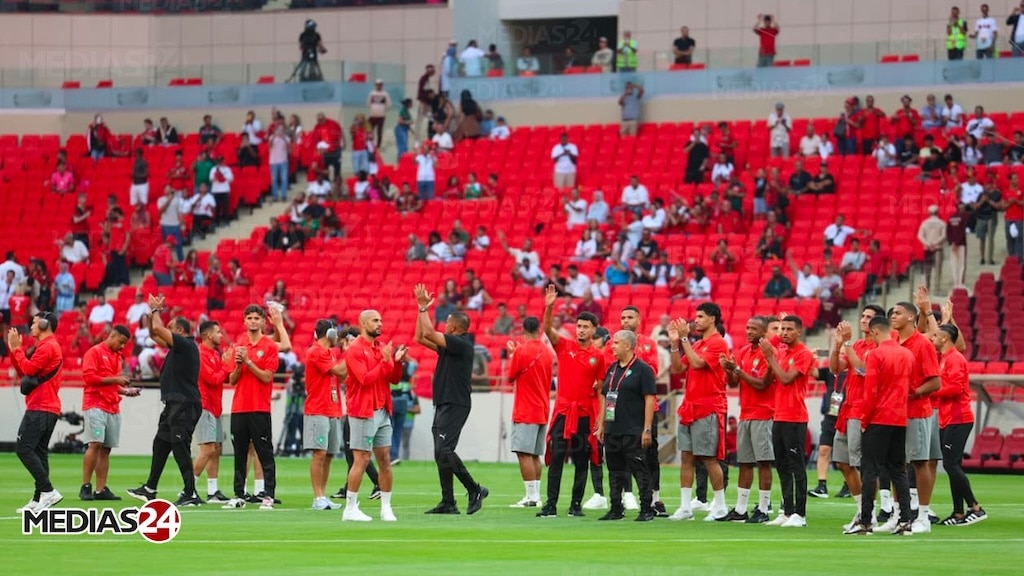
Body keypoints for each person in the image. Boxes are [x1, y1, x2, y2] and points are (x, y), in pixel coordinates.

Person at [414, 284, 488, 515]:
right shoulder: (451, 346)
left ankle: (474, 489)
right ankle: (448, 502)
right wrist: (420, 308)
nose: (444, 325)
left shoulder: (462, 343)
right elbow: (419, 337)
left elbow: (427, 333)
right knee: (440, 452)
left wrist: (425, 307)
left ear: (455, 327)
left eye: (447, 323)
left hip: (456, 403)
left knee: (444, 449)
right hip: (445, 402)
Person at [126, 296, 203, 507]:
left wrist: (156, 310)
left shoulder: (186, 345)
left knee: (179, 445)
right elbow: (154, 333)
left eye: (171, 327)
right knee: (161, 444)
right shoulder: (177, 348)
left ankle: (191, 492)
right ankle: (150, 488)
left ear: (179, 331)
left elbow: (158, 330)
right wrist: (153, 314)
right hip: (174, 403)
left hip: (184, 403)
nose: (165, 330)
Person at [844, 314, 915, 536]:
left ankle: (865, 521)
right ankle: (905, 521)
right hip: (899, 418)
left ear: (875, 332)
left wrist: (864, 421)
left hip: (878, 418)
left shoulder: (875, 354)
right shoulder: (907, 354)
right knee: (898, 470)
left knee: (870, 470)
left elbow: (871, 391)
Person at [536, 286, 604, 517]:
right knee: (556, 460)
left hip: (585, 414)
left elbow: (602, 390)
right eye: (579, 326)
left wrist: (601, 420)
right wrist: (549, 306)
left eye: (586, 327)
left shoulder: (600, 356)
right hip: (564, 413)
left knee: (582, 461)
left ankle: (576, 505)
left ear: (594, 330)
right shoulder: (565, 346)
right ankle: (550, 505)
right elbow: (546, 329)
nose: (581, 330)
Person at [222, 304, 292, 510]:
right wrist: (238, 364)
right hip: (239, 408)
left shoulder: (269, 346)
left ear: (263, 322)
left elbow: (267, 377)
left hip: (259, 407)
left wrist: (249, 362)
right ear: (244, 321)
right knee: (240, 453)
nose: (253, 321)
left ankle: (268, 495)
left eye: (256, 318)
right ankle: (238, 494)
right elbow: (232, 380)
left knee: (264, 452)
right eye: (249, 318)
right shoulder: (238, 346)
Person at [666, 304, 730, 522]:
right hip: (690, 407)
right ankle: (685, 507)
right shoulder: (700, 343)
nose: (696, 320)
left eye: (700, 316)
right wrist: (675, 344)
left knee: (709, 458)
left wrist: (684, 340)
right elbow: (677, 369)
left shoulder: (718, 343)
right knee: (686, 458)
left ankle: (720, 505)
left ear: (712, 319)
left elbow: (697, 363)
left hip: (708, 407)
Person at [342, 310, 406, 522]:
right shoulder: (354, 350)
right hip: (363, 411)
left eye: (381, 320)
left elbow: (393, 379)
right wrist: (383, 362)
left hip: (382, 411)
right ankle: (350, 508)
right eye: (375, 320)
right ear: (362, 323)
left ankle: (386, 507)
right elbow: (365, 379)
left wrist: (396, 362)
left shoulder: (380, 348)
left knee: (385, 459)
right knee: (361, 459)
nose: (380, 324)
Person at [829, 307, 884, 531]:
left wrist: (848, 344)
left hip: (863, 410)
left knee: (863, 464)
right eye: (862, 316)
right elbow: (835, 368)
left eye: (869, 317)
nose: (863, 320)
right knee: (842, 461)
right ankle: (862, 509)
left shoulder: (878, 348)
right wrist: (837, 344)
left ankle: (870, 513)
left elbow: (862, 370)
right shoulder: (858, 345)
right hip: (847, 409)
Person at [889, 301, 941, 533]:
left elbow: (935, 381)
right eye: (892, 313)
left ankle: (923, 516)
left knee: (920, 463)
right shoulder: (891, 341)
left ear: (911, 317)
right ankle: (899, 515)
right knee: (896, 464)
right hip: (894, 412)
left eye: (898, 313)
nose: (893, 316)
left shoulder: (922, 344)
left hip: (917, 411)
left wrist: (914, 392)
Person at [594, 330, 656, 521]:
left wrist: (646, 429)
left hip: (633, 429)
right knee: (614, 470)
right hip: (613, 428)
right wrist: (602, 424)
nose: (612, 346)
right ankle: (615, 508)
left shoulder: (643, 370)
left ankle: (646, 509)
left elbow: (649, 399)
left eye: (616, 343)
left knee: (639, 469)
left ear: (628, 346)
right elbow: (605, 397)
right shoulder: (612, 369)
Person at [719, 316, 775, 524]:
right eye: (747, 327)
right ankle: (741, 509)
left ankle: (763, 508)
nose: (749, 331)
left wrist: (737, 370)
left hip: (764, 413)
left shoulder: (769, 353)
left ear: (764, 331)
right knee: (744, 463)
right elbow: (734, 383)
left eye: (754, 328)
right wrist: (728, 367)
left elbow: (762, 384)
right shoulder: (742, 351)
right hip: (746, 413)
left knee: (763, 462)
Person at [760, 315, 814, 527]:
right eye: (782, 329)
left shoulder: (804, 353)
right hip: (779, 415)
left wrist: (770, 358)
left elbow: (785, 378)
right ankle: (787, 510)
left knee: (796, 465)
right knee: (781, 464)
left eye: (789, 329)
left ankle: (800, 514)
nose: (784, 332)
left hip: (795, 417)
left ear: (799, 331)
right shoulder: (781, 352)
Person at [932, 324, 987, 526]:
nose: (933, 338)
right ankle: (957, 512)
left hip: (958, 418)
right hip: (948, 418)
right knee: (951, 464)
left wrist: (929, 390)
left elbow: (955, 388)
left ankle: (975, 507)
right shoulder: (944, 359)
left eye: (936, 335)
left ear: (945, 339)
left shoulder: (954, 359)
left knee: (950, 464)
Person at [10, 312, 64, 513]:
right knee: (40, 453)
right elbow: (25, 371)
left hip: (40, 407)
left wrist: (17, 349)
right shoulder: (48, 346)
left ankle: (48, 491)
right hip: (47, 408)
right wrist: (15, 349)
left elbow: (30, 369)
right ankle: (38, 499)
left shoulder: (48, 346)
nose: (31, 326)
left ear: (43, 324)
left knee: (23, 449)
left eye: (33, 322)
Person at [80, 325, 140, 501]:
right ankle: (85, 486)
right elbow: (89, 378)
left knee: (106, 449)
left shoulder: (117, 357)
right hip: (95, 405)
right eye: (121, 342)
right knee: (95, 444)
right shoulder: (95, 352)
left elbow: (112, 385)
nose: (122, 347)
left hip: (112, 407)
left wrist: (126, 391)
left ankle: (100, 489)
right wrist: (116, 380)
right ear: (112, 336)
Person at [505, 316, 554, 510]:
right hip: (542, 408)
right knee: (534, 454)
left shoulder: (521, 350)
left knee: (523, 453)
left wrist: (512, 355)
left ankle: (531, 496)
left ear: (523, 330)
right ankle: (535, 494)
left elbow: (510, 376)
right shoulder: (548, 351)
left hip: (525, 409)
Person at [304, 320, 347, 511]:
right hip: (318, 408)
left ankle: (322, 494)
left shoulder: (329, 353)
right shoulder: (315, 352)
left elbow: (342, 376)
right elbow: (338, 371)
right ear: (329, 333)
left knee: (328, 455)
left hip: (332, 408)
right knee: (319, 454)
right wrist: (352, 353)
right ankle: (318, 496)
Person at [189, 320, 233, 503]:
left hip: (214, 407)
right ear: (208, 335)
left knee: (215, 449)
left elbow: (225, 378)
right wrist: (227, 365)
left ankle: (212, 491)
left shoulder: (215, 354)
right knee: (207, 449)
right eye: (217, 332)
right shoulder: (199, 354)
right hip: (203, 405)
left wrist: (227, 365)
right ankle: (188, 488)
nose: (221, 335)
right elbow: (213, 379)